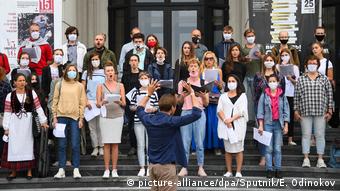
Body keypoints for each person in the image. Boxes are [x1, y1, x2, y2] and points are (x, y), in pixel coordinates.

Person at [136, 80, 202, 191]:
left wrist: (149, 94)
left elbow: (139, 109)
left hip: (152, 167)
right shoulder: (172, 121)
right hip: (166, 168)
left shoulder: (149, 119)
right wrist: (192, 93)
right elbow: (196, 113)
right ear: (173, 108)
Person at [1, 73, 48, 180]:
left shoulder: (31, 93)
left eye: (24, 81)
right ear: (14, 82)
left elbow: (38, 107)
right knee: (14, 147)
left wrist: (43, 121)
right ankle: (13, 172)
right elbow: (7, 112)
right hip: (14, 124)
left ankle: (29, 171)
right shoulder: (10, 95)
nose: (22, 83)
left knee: (28, 145)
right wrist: (6, 127)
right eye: (20, 80)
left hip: (27, 123)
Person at [294, 55, 334, 168]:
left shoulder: (324, 78)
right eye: (310, 63)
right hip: (305, 111)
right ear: (306, 65)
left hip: (320, 111)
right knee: (306, 135)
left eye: (314, 63)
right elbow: (296, 96)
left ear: (318, 65)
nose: (312, 65)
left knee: (320, 135)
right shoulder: (301, 79)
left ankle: (320, 159)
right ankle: (306, 158)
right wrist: (296, 110)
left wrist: (330, 109)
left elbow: (329, 94)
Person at [52, 64, 86, 179]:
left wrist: (81, 118)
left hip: (75, 118)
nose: (72, 72)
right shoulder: (59, 84)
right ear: (65, 72)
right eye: (70, 70)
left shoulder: (80, 86)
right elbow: (54, 101)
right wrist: (54, 117)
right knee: (62, 144)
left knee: (75, 144)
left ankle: (76, 169)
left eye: (74, 70)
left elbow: (82, 103)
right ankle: (61, 169)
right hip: (61, 117)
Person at [177, 59, 209, 177]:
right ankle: (184, 167)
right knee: (185, 142)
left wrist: (202, 96)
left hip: (199, 112)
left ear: (199, 68)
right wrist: (183, 96)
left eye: (195, 66)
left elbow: (206, 103)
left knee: (199, 142)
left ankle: (200, 167)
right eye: (191, 66)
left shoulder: (203, 82)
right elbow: (179, 103)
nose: (193, 68)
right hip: (186, 112)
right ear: (188, 68)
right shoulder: (183, 82)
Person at [253, 53, 285, 166]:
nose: (269, 61)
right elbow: (255, 92)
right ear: (263, 62)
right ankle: (263, 156)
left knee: (275, 135)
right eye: (267, 60)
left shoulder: (279, 76)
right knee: (262, 133)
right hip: (261, 107)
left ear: (274, 61)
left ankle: (273, 159)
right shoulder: (258, 75)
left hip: (276, 109)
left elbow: (282, 93)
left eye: (271, 60)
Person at [257, 74, 289, 178]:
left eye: (274, 81)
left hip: (278, 124)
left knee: (277, 148)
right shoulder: (264, 95)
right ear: (268, 83)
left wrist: (286, 125)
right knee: (268, 148)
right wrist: (260, 125)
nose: (272, 83)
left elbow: (286, 111)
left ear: (278, 82)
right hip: (267, 124)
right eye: (270, 81)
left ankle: (278, 169)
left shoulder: (282, 95)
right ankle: (269, 169)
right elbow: (260, 112)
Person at [96, 63, 126, 178]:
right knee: (106, 144)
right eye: (108, 71)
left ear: (114, 73)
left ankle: (114, 169)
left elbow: (124, 103)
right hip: (105, 116)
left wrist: (120, 102)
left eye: (112, 71)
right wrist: (102, 102)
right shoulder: (100, 86)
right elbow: (98, 104)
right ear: (105, 73)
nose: (110, 73)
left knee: (115, 144)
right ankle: (106, 169)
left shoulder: (120, 85)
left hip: (118, 116)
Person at [217, 74, 248, 178]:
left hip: (238, 125)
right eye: (229, 81)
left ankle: (238, 171)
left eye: (233, 81)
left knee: (239, 149)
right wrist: (226, 120)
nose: (231, 83)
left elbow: (243, 111)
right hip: (226, 126)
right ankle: (229, 171)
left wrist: (231, 119)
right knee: (228, 150)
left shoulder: (243, 96)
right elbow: (219, 110)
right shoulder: (223, 96)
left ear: (237, 82)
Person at [130, 72, 158, 176]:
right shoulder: (136, 92)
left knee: (149, 145)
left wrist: (153, 109)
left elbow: (157, 106)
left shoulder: (154, 92)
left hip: (150, 121)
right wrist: (137, 107)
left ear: (149, 79)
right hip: (138, 121)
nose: (143, 79)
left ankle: (150, 167)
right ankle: (142, 167)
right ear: (139, 80)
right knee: (140, 144)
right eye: (141, 78)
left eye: (145, 78)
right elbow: (131, 106)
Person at [82, 52, 105, 157]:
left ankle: (101, 146)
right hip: (90, 102)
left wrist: (102, 100)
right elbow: (82, 88)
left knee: (101, 126)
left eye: (97, 59)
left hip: (101, 102)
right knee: (92, 127)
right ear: (90, 61)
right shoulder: (86, 73)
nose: (95, 61)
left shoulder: (104, 72)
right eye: (93, 60)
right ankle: (95, 147)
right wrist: (86, 101)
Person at [200, 51, 224, 155]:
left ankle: (216, 146)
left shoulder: (218, 70)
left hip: (215, 98)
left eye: (211, 58)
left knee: (215, 123)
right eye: (206, 59)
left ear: (214, 60)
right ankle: (204, 146)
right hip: (204, 98)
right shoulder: (201, 71)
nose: (209, 61)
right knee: (205, 123)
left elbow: (221, 87)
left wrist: (219, 84)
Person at [241, 28, 265, 126]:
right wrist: (245, 59)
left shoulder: (260, 47)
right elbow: (240, 61)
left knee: (257, 99)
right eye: (248, 36)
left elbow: (266, 60)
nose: (250, 38)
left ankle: (257, 121)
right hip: (246, 76)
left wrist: (261, 56)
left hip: (257, 76)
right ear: (245, 37)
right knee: (243, 98)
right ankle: (244, 120)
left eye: (252, 36)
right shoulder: (243, 49)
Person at [276, 49, 299, 145]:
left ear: (290, 56)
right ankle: (279, 138)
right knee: (279, 115)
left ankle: (290, 138)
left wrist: (290, 78)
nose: (284, 57)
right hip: (280, 94)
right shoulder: (277, 66)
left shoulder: (294, 67)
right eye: (282, 55)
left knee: (289, 116)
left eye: (286, 54)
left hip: (290, 94)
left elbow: (297, 82)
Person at [121, 54, 141, 156]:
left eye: (135, 60)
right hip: (130, 105)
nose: (133, 62)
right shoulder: (126, 76)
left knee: (142, 125)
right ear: (129, 62)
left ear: (138, 62)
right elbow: (122, 90)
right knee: (131, 126)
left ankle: (141, 146)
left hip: (141, 104)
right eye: (132, 60)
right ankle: (133, 146)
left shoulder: (143, 74)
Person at [0, 67, 11, 164]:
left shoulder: (6, 85)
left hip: (4, 114)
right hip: (4, 114)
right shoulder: (6, 85)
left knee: (3, 137)